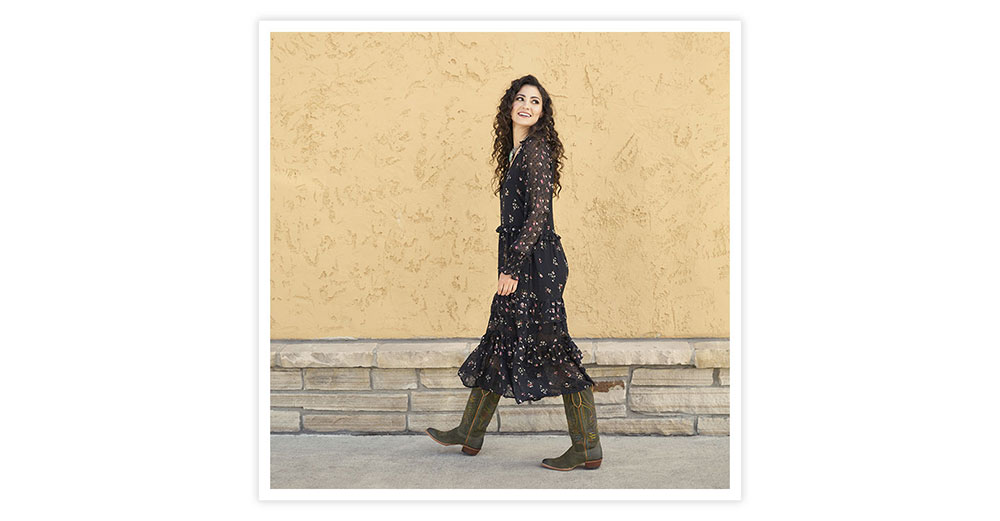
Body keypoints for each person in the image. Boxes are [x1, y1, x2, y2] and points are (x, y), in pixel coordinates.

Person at [425, 75, 603, 471]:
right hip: (525, 264)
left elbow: (538, 215)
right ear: (509, 107)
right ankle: (469, 432)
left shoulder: (536, 151)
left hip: (535, 268)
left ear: (543, 113)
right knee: (500, 341)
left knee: (554, 349)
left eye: (535, 101)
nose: (526, 105)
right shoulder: (517, 151)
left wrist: (512, 268)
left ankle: (587, 446)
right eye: (520, 99)